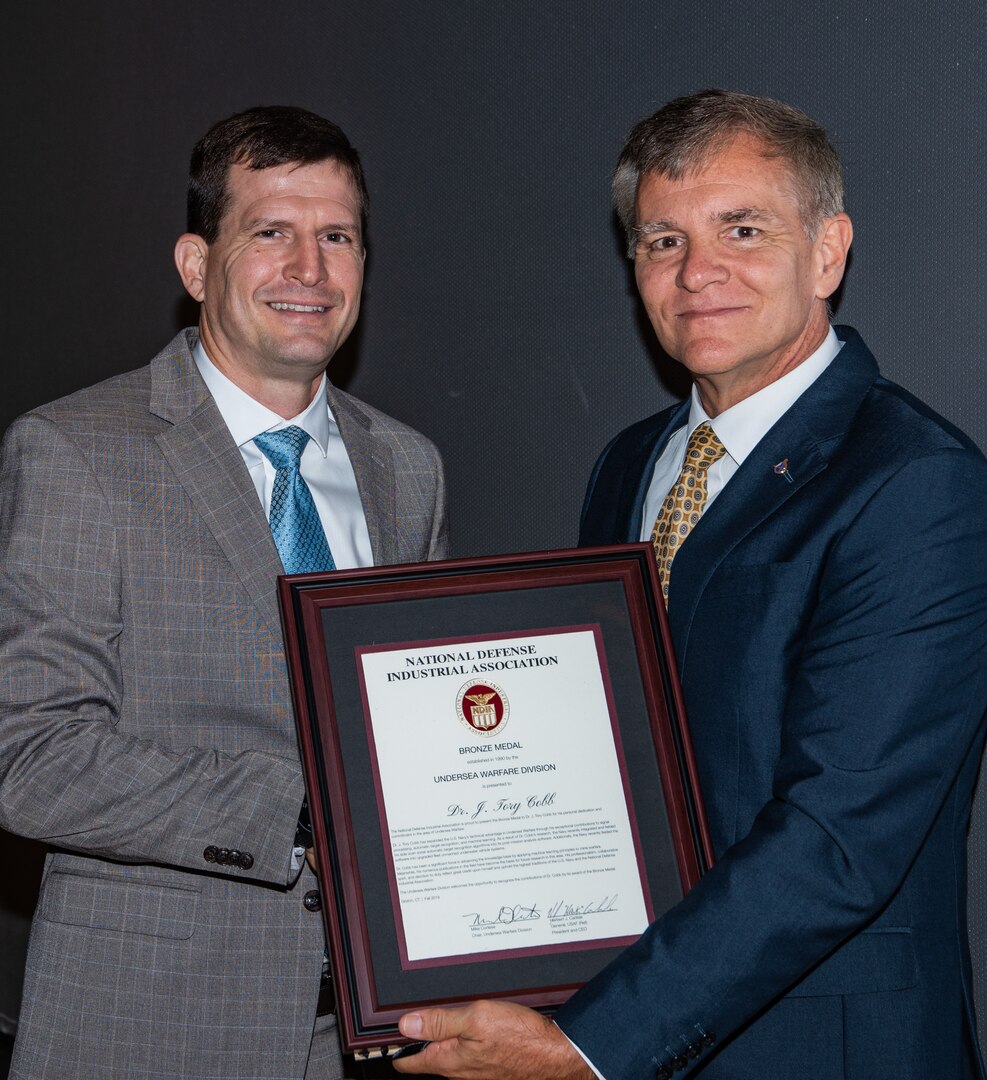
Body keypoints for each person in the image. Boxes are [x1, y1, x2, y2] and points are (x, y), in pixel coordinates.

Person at [393, 89, 987, 1079]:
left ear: (828, 250)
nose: (697, 272)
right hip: (624, 1012)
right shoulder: (631, 464)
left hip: (820, 1045)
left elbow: (840, 838)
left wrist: (591, 1044)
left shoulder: (916, 484)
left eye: (741, 229)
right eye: (661, 240)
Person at [0, 105, 447, 1079]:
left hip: (374, 1032)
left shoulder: (408, 469)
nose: (310, 270)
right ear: (197, 264)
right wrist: (302, 814)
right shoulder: (78, 452)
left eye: (337, 237)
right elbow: (29, 757)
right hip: (150, 1024)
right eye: (271, 233)